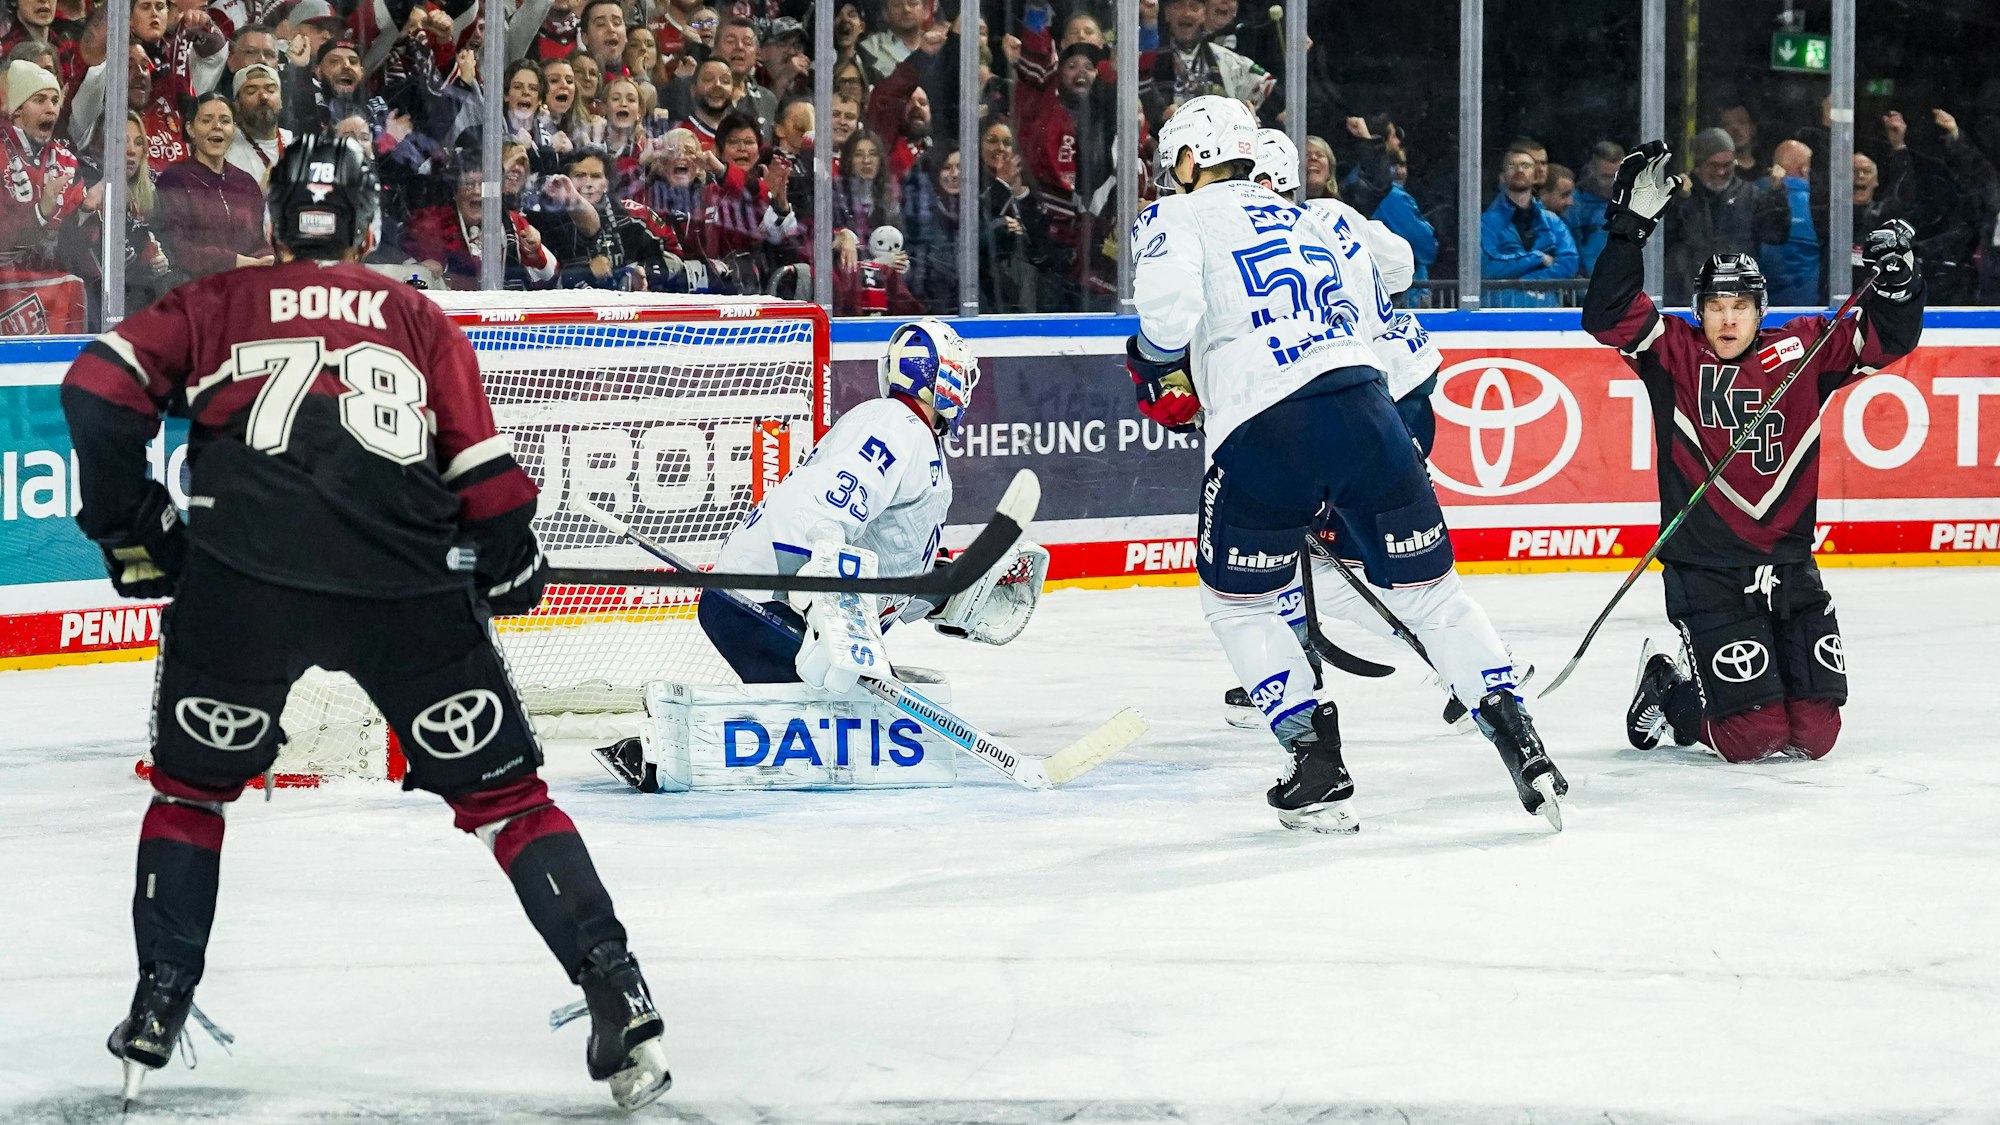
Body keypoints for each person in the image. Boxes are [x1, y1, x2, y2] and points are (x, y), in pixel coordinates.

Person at [65, 134, 671, 1111]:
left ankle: (156, 1007)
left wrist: (134, 525)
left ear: (271, 221)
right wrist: (510, 560)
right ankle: (616, 987)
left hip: (245, 590)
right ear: (366, 220)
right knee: (509, 803)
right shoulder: (415, 314)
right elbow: (491, 486)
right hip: (404, 589)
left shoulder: (212, 303)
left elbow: (95, 392)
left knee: (191, 794)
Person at [1127, 96, 1565, 834]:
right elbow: (1382, 290)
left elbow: (1166, 321)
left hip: (1265, 428)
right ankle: (1524, 745)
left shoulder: (1176, 216)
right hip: (1367, 406)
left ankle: (1315, 762)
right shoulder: (1313, 217)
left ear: (1192, 157)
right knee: (1434, 596)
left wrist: (1161, 365)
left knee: (1238, 603)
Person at [1582, 141, 1926, 763]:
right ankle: (1668, 684)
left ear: (1759, 310)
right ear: (1698, 311)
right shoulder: (1673, 354)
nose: (1727, 319)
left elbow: (1885, 339)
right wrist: (1628, 232)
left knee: (1815, 736)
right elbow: (1605, 313)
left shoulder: (1802, 352)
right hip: (1709, 570)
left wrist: (1900, 285)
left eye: (1739, 306)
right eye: (1714, 306)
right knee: (1751, 737)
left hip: (1791, 564)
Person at [1663, 127, 1790, 306]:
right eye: (1713, 165)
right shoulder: (1684, 196)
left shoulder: (1751, 196)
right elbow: (1663, 241)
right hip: (1686, 299)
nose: (1721, 172)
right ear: (1699, 163)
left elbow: (1776, 235)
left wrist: (1777, 194)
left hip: (1737, 299)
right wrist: (1678, 201)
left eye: (1727, 165)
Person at [153, 93, 270, 283]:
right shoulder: (174, 179)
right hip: (196, 293)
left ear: (234, 129)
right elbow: (176, 246)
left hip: (244, 288)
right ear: (190, 129)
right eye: (207, 120)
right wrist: (233, 262)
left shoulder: (246, 182)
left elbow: (258, 239)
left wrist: (266, 259)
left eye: (225, 121)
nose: (217, 126)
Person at [1481, 143, 1579, 307]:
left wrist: (1526, 281)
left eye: (1525, 165)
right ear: (1502, 177)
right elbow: (1488, 267)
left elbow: (1569, 263)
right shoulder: (1486, 222)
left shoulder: (1552, 221)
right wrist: (1538, 258)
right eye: (1512, 165)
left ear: (1536, 176)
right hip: (1499, 316)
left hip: (1547, 314)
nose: (1519, 170)